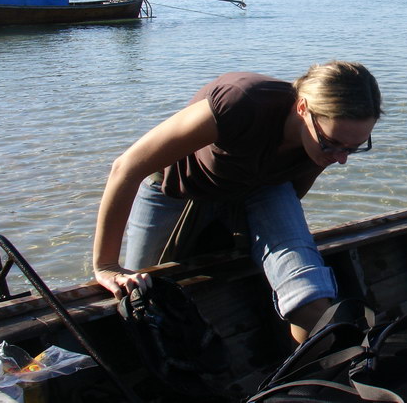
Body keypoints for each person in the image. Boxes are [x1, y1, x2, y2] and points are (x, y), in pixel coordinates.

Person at [92, 61, 382, 343]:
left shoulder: (327, 146)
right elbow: (126, 168)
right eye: (331, 143)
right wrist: (106, 264)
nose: (340, 158)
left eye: (354, 148)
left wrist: (263, 243)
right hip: (177, 188)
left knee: (308, 296)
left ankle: (318, 369)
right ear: (303, 108)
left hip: (263, 190)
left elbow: (293, 197)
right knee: (142, 295)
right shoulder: (241, 103)